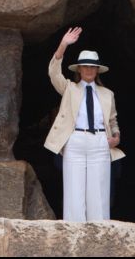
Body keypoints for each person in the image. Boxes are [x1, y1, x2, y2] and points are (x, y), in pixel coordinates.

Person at [44, 26, 125, 221]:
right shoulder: (70, 89)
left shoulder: (107, 94)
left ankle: (100, 233)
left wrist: (116, 137)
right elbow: (54, 73)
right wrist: (63, 44)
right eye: (85, 66)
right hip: (76, 140)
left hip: (100, 141)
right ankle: (74, 235)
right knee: (74, 189)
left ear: (97, 70)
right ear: (79, 69)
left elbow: (113, 119)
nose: (89, 69)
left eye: (92, 66)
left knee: (99, 191)